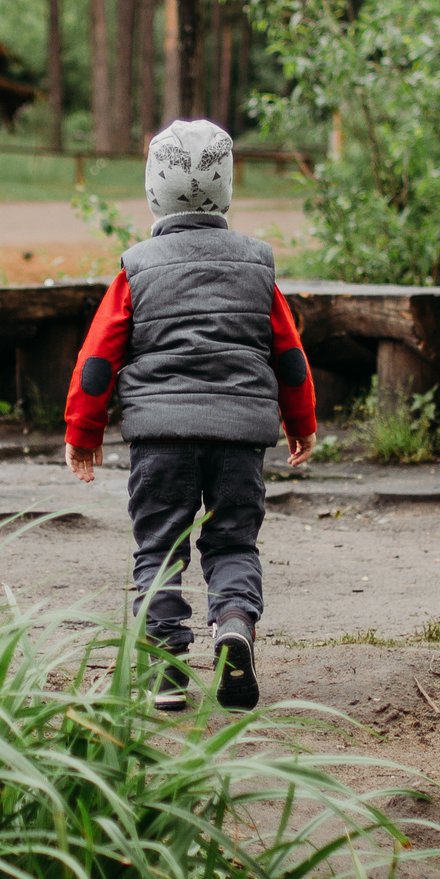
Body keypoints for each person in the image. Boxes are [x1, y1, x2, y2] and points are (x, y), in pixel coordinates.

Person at [64, 119, 317, 711]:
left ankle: (166, 673)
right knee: (233, 542)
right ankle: (233, 625)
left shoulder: (137, 266)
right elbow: (288, 355)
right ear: (226, 189)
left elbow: (98, 359)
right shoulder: (257, 265)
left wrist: (83, 430)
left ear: (153, 188)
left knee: (159, 547)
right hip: (238, 437)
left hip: (161, 439)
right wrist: (301, 422)